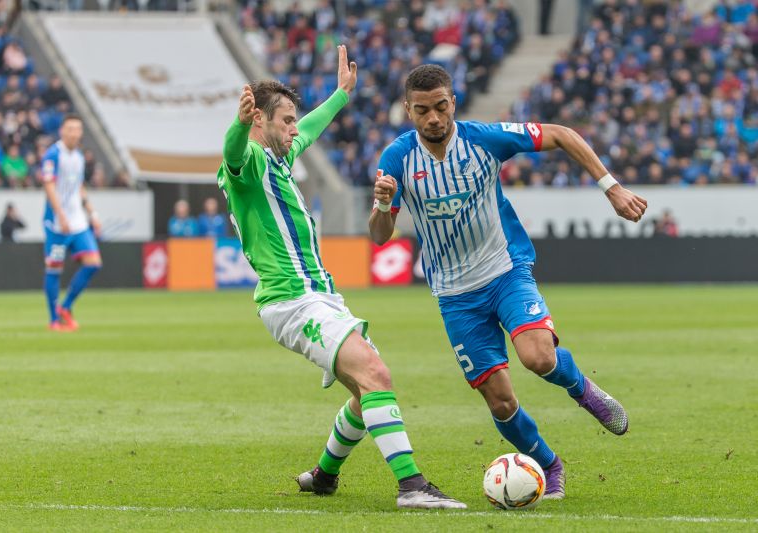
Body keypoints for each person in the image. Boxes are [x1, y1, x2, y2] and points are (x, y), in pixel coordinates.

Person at [369, 64, 648, 499]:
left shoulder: (485, 139)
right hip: (455, 296)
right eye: (423, 110)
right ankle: (550, 465)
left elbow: (561, 134)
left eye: (441, 107)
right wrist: (383, 207)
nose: (434, 118)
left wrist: (610, 186)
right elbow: (379, 237)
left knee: (537, 357)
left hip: (505, 271)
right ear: (408, 110)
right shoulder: (397, 159)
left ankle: (584, 391)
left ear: (453, 102)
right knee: (500, 401)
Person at [219, 46, 464, 510]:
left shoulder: (280, 158)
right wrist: (237, 124)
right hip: (292, 300)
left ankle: (324, 476)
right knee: (375, 373)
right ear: (260, 123)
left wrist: (340, 95)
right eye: (286, 120)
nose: (295, 128)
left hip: (320, 297)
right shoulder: (249, 165)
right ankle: (412, 487)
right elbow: (232, 152)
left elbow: (310, 129)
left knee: (362, 392)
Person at [42, 114, 102, 332]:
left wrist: (92, 214)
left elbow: (79, 187)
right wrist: (60, 215)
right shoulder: (52, 155)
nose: (74, 133)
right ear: (62, 131)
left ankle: (65, 307)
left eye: (77, 129)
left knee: (93, 262)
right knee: (54, 269)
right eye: (70, 129)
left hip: (78, 221)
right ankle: (53, 319)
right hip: (57, 224)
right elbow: (49, 186)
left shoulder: (78, 156)